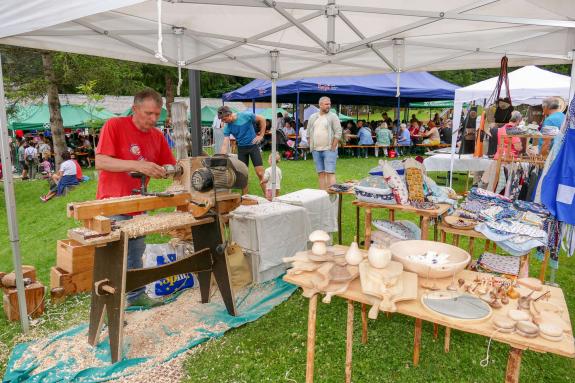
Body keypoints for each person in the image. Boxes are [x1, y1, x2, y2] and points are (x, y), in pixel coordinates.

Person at [95, 89, 176, 308]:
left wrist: (167, 171)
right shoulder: (115, 125)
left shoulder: (157, 136)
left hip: (138, 203)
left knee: (136, 252)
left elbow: (172, 166)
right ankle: (108, 306)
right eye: (148, 113)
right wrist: (137, 164)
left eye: (157, 114)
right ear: (135, 109)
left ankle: (135, 296)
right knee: (114, 257)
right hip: (112, 202)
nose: (153, 119)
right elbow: (101, 161)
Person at [218, 105, 266, 194]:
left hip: (253, 147)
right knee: (243, 175)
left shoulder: (245, 115)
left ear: (229, 115)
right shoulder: (227, 127)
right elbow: (225, 143)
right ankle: (245, 198)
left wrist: (261, 135)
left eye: (224, 119)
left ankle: (269, 197)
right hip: (242, 149)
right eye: (222, 120)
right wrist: (221, 158)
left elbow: (262, 119)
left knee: (260, 173)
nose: (223, 122)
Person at [307, 96, 342, 190]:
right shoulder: (313, 117)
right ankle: (322, 196)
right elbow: (308, 133)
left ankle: (333, 198)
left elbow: (338, 132)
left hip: (329, 149)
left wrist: (333, 146)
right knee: (321, 173)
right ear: (320, 105)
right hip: (316, 150)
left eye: (329, 104)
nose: (329, 106)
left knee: (330, 172)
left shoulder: (333, 116)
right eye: (326, 104)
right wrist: (311, 145)